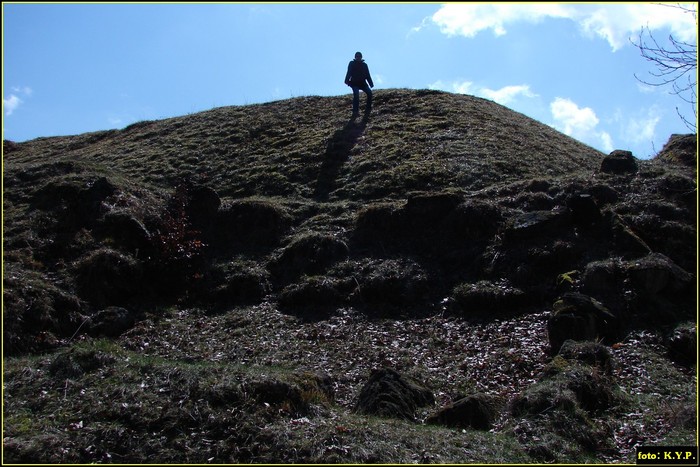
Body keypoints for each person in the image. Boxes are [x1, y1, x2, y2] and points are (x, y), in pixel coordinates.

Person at [344, 51, 374, 117]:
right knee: (356, 95)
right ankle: (355, 111)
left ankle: (368, 109)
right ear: (355, 57)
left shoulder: (364, 65)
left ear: (361, 57)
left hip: (363, 83)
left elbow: (367, 74)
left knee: (369, 93)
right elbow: (349, 72)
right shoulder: (352, 63)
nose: (358, 58)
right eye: (357, 56)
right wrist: (347, 81)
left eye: (359, 56)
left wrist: (371, 83)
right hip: (354, 83)